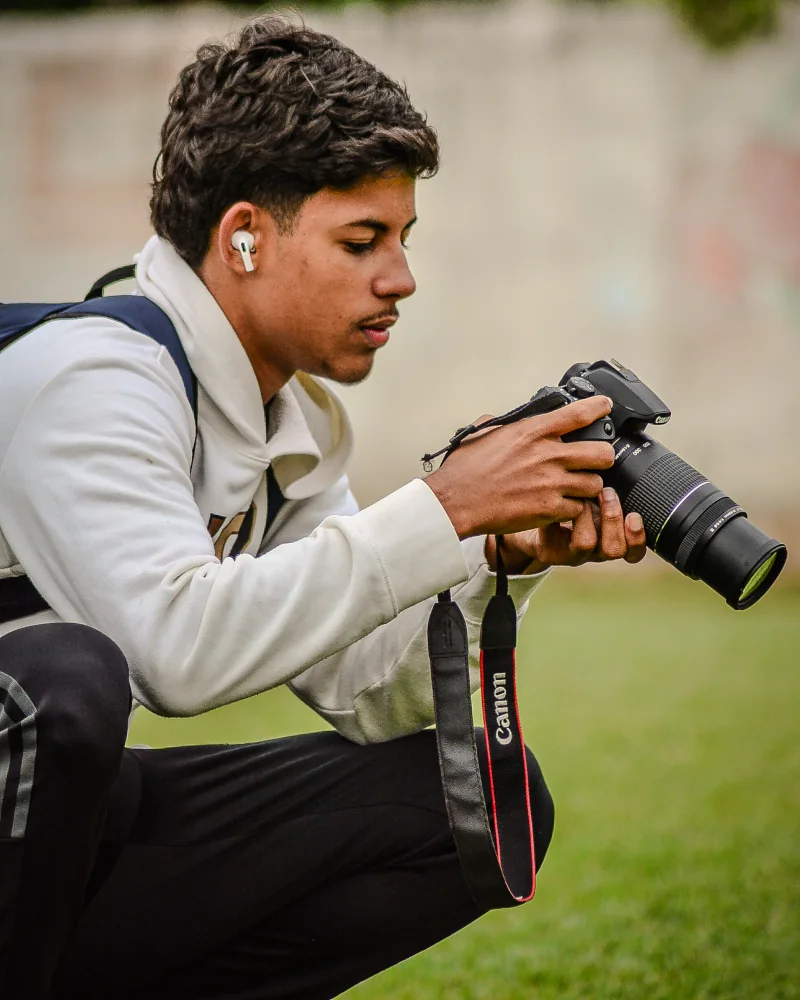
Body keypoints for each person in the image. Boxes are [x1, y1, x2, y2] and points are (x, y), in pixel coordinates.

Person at [0, 16, 646, 1000]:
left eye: (403, 237)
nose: (400, 278)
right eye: (362, 240)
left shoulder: (284, 421)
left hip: (33, 837)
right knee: (70, 684)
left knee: (462, 801)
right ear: (244, 237)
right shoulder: (95, 374)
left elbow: (372, 697)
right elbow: (173, 654)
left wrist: (490, 553)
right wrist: (440, 505)